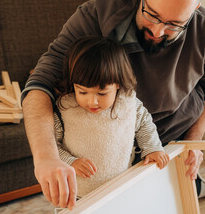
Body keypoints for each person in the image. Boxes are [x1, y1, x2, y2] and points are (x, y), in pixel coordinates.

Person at [22, 0, 205, 210]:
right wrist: (45, 157)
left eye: (174, 24)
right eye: (152, 14)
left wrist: (193, 144)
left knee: (169, 205)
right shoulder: (92, 18)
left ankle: (194, 186)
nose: (158, 32)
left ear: (195, 9)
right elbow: (39, 83)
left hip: (170, 136)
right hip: (116, 139)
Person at [54, 36, 169, 197]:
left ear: (118, 84)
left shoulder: (128, 104)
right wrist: (70, 161)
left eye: (102, 93)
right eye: (82, 92)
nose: (92, 101)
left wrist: (152, 148)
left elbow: (144, 123)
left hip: (119, 185)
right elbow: (52, 145)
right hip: (78, 190)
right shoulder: (65, 108)